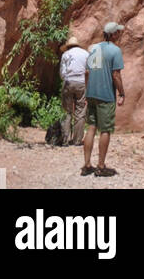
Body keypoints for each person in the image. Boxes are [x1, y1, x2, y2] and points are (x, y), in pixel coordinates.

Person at [82, 22, 125, 177]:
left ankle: (87, 165)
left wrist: (87, 92)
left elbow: (87, 72)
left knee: (91, 128)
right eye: (118, 33)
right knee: (105, 130)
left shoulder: (94, 48)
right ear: (112, 34)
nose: (119, 35)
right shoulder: (115, 50)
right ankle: (100, 166)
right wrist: (122, 93)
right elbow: (116, 75)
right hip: (106, 96)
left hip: (91, 94)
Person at [59, 34, 88, 146]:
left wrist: (66, 78)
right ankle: (77, 140)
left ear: (69, 46)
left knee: (67, 111)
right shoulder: (85, 54)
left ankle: (65, 140)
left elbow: (62, 72)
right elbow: (88, 70)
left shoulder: (65, 54)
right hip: (81, 83)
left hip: (68, 82)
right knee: (80, 112)